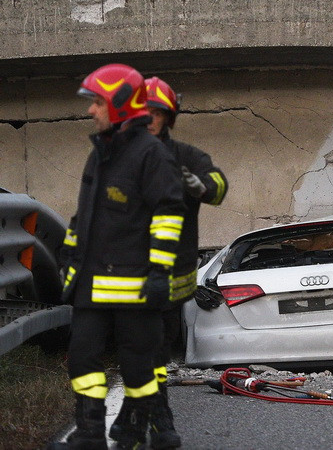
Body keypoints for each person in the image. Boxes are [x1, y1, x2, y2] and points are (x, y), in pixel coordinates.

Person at [53, 64, 185, 450]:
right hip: (91, 286)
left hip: (135, 290)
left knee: (139, 370)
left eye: (97, 102)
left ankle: (138, 430)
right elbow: (84, 216)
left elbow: (167, 216)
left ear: (121, 104)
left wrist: (160, 272)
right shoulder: (99, 155)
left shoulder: (151, 155)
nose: (91, 111)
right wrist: (67, 257)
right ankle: (90, 433)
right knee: (82, 360)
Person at [111, 75, 227, 448]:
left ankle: (133, 422)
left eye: (155, 112)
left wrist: (199, 185)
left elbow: (219, 186)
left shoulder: (187, 156)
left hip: (173, 280)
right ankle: (155, 423)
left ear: (168, 117)